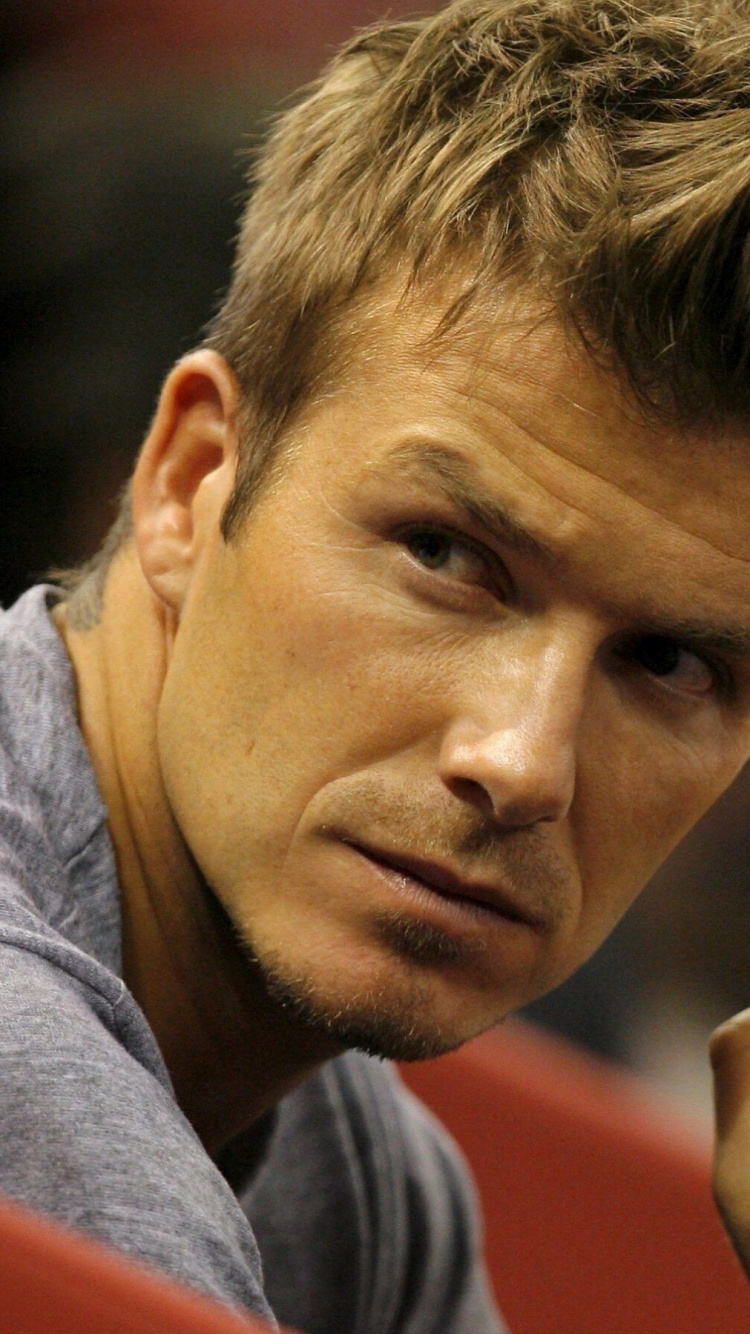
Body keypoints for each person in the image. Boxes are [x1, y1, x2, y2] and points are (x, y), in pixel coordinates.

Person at [6, 0, 750, 1328]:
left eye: (671, 661)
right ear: (188, 481)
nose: (522, 761)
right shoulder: (40, 1098)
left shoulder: (367, 1169)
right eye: (446, 557)